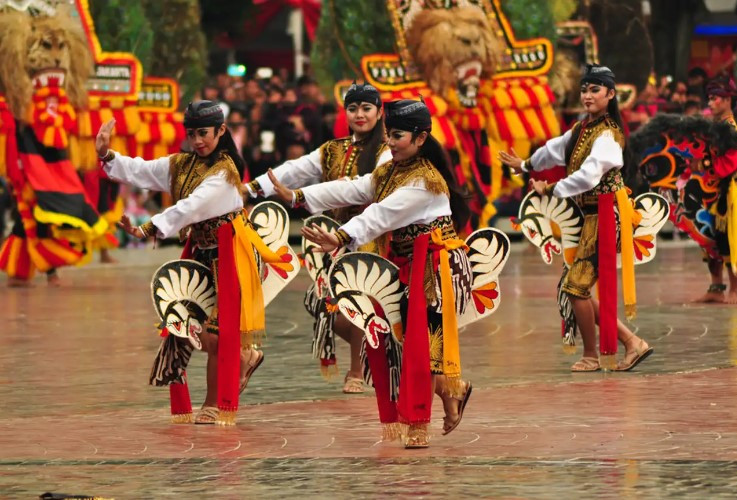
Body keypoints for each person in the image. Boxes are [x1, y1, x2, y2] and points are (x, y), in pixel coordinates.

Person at [271, 98, 473, 448]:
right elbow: (354, 188)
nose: (391, 142)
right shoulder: (391, 170)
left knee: (420, 348)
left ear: (421, 138)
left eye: (398, 136)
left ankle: (419, 425)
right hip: (406, 263)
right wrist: (299, 196)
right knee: (403, 343)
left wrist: (340, 236)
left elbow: (381, 214)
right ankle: (455, 391)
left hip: (435, 269)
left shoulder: (425, 181)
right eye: (389, 135)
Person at [96, 100, 280, 425]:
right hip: (203, 252)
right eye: (192, 134)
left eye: (204, 133)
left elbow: (191, 207)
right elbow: (145, 170)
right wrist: (107, 156)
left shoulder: (225, 172)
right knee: (194, 329)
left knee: (218, 333)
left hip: (233, 252)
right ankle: (245, 358)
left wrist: (147, 228)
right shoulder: (183, 164)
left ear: (221, 131)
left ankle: (213, 403)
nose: (198, 141)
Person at [500, 64, 653, 372]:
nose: (587, 95)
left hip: (608, 215)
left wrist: (552, 188)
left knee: (575, 287)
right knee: (576, 286)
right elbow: (555, 150)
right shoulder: (582, 129)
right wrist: (526, 165)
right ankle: (631, 343)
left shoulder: (608, 135)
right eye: (584, 89)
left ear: (611, 94)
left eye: (595, 89)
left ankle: (594, 355)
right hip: (593, 216)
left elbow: (587, 177)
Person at [246, 83, 392, 393]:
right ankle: (376, 351)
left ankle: (356, 371)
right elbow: (294, 170)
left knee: (356, 300)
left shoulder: (387, 151)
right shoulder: (332, 150)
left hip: (369, 235)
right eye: (353, 108)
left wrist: (300, 196)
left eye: (367, 108)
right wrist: (251, 189)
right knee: (324, 305)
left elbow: (365, 187)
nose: (360, 114)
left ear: (379, 112)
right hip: (330, 238)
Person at [692, 77, 737, 304]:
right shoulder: (715, 127)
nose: (711, 102)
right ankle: (716, 287)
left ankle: (734, 289)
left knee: (730, 239)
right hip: (710, 189)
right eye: (709, 98)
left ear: (727, 100)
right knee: (709, 239)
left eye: (715, 98)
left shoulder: (731, 130)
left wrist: (703, 165)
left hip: (730, 193)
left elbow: (732, 162)